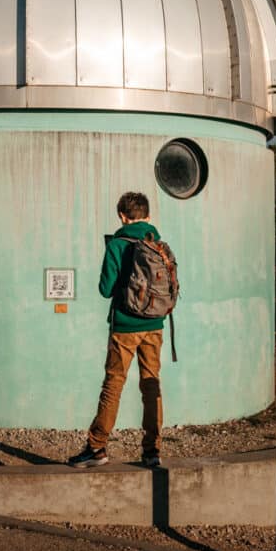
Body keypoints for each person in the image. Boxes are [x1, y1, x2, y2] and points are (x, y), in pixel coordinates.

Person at [69, 192, 165, 468]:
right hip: (155, 326)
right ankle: (151, 451)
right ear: (147, 215)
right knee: (151, 384)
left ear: (123, 216)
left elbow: (105, 289)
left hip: (124, 325)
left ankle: (96, 448)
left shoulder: (117, 244)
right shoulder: (157, 242)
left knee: (113, 384)